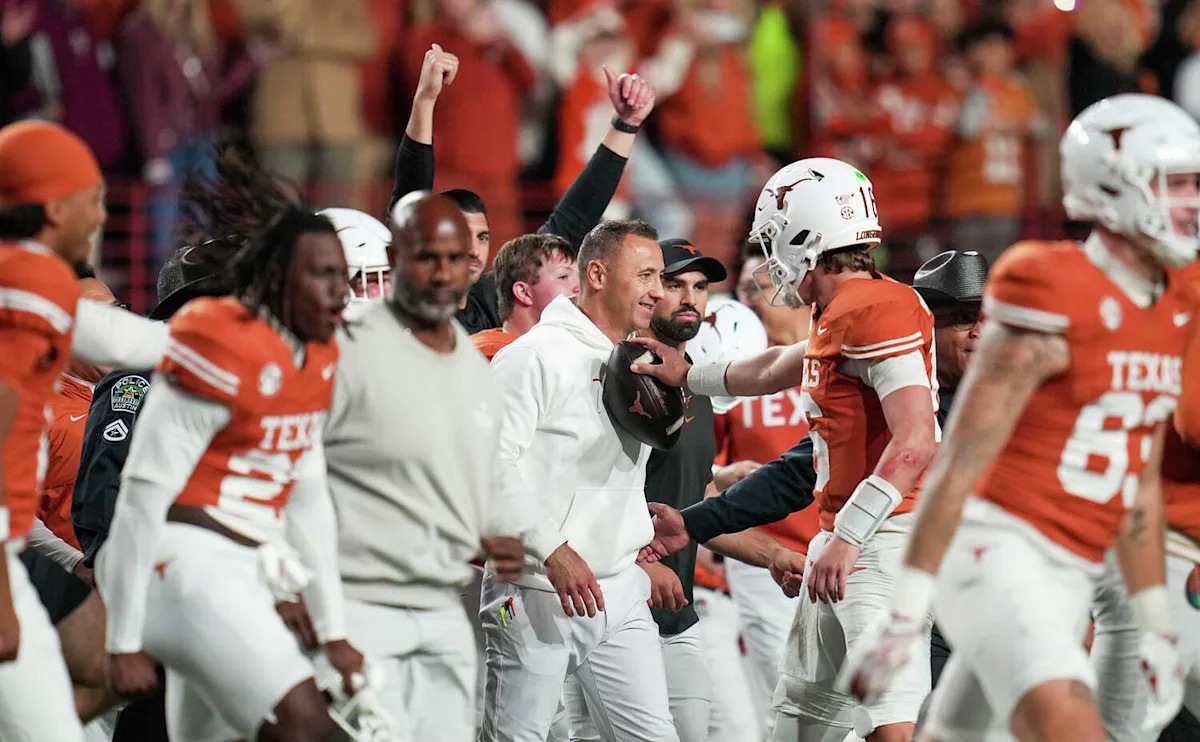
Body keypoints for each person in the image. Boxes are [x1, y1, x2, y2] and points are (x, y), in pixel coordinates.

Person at [841, 92, 1200, 742]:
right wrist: (902, 617)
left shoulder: (1175, 300)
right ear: (1116, 186)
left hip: (1079, 571)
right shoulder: (1049, 283)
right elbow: (961, 459)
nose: (1192, 203)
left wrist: (1154, 620)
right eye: (1176, 185)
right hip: (1003, 554)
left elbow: (1139, 478)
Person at [634, 157, 940, 742]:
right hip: (845, 536)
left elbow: (915, 441)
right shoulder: (842, 309)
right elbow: (774, 366)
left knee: (888, 725)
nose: (770, 257)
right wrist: (689, 374)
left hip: (879, 540)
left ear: (807, 237)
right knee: (802, 721)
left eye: (774, 237)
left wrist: (848, 539)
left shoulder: (878, 309)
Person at [96, 149, 369, 741]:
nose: (340, 293)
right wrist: (124, 636)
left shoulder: (317, 355)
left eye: (342, 276)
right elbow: (141, 496)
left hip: (244, 568)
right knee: (308, 728)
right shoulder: (220, 348)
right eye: (321, 275)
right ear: (277, 281)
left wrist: (333, 627)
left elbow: (308, 502)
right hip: (183, 563)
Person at [320, 191, 524, 740]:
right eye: (427, 257)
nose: (443, 273)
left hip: (439, 601)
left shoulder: (464, 357)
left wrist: (498, 523)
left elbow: (481, 465)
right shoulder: (338, 355)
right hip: (358, 601)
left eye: (455, 258)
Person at [482, 219, 678, 741]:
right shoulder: (531, 356)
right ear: (596, 275)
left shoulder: (640, 360)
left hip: (619, 589)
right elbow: (488, 467)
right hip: (535, 591)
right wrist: (552, 549)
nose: (658, 291)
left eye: (659, 277)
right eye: (645, 276)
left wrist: (633, 532)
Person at [72, 239, 237, 742]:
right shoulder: (140, 376)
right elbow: (104, 479)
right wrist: (119, 581)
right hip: (157, 583)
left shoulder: (248, 372)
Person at [391, 43, 656, 334]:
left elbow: (573, 219)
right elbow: (410, 199)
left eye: (482, 237)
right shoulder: (415, 303)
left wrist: (626, 124)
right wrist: (425, 99)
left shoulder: (496, 297)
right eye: (461, 236)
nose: (473, 250)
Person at [0, 119, 107, 742]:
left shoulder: (35, 285)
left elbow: (132, 340)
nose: (101, 215)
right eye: (92, 197)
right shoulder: (25, 301)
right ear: (54, 207)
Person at [472, 232, 581, 359]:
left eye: (580, 277)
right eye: (563, 277)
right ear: (523, 293)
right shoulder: (481, 359)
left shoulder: (572, 350)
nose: (579, 287)